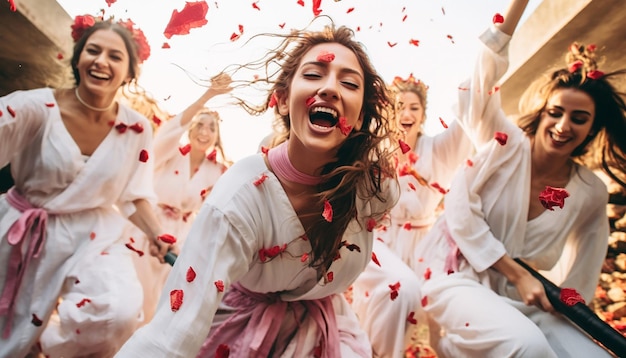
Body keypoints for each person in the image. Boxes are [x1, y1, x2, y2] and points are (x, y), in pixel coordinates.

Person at [116, 19, 400, 357]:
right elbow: (171, 335)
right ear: (281, 100)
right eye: (312, 75)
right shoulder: (240, 196)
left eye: (349, 82)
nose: (330, 88)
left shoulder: (375, 189)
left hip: (332, 330)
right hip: (241, 333)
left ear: (361, 112)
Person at [414, 0, 626, 356]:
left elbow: (582, 275)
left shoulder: (589, 192)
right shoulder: (505, 143)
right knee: (526, 346)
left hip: (530, 300)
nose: (562, 126)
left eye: (578, 118)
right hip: (458, 279)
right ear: (541, 114)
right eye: (555, 112)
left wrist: (572, 317)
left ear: (591, 128)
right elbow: (479, 82)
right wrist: (518, 6)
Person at [0, 17, 173, 357]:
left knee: (117, 311)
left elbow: (134, 193)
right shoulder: (34, 107)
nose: (101, 61)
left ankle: (46, 342)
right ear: (78, 57)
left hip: (91, 233)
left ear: (129, 72)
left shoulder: (137, 128)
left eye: (115, 56)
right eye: (93, 51)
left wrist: (156, 234)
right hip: (23, 225)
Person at [351, 75, 473, 357]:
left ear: (423, 114)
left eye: (414, 107)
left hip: (424, 242)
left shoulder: (439, 148)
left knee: (430, 313)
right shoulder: (374, 153)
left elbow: (468, 118)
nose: (406, 114)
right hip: (381, 239)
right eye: (399, 107)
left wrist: (483, 69)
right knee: (388, 298)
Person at [130, 75, 233, 325]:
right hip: (146, 228)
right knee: (134, 298)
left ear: (217, 136)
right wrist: (208, 95)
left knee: (162, 305)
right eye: (200, 125)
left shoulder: (218, 172)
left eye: (211, 128)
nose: (204, 132)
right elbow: (172, 129)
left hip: (183, 238)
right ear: (190, 129)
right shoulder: (170, 154)